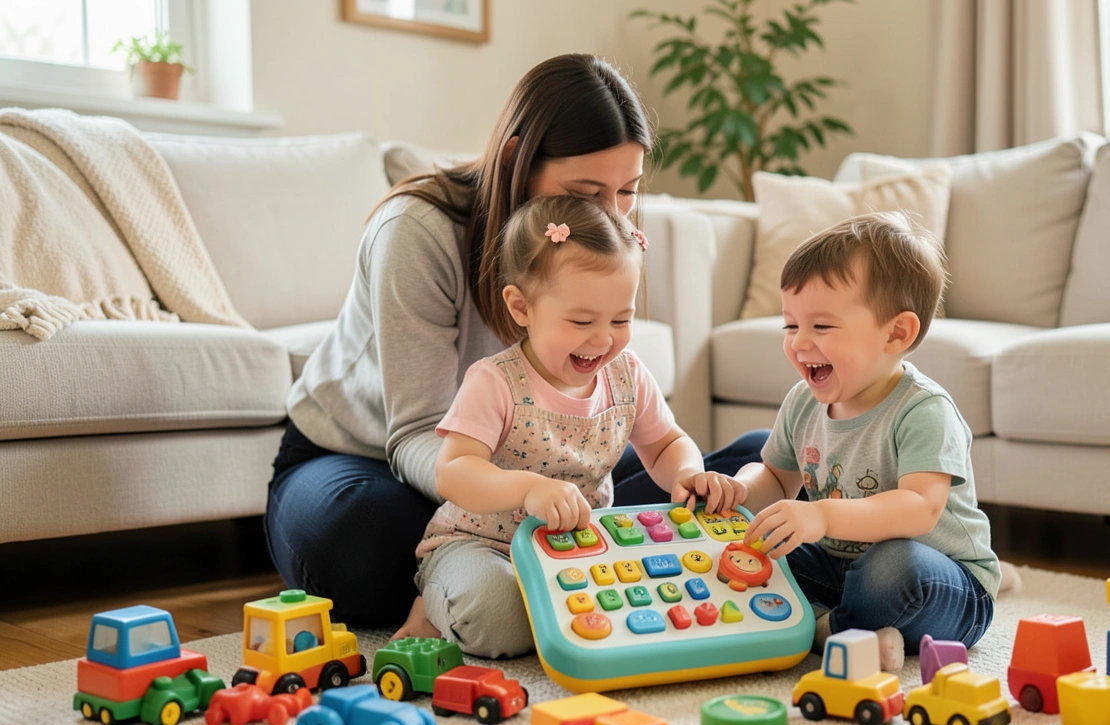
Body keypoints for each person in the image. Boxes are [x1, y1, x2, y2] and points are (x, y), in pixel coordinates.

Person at [265, 53, 769, 627]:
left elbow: (648, 438)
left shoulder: (607, 237)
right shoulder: (418, 231)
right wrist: (514, 493)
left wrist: (677, 477)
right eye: (587, 192)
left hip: (535, 462)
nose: (612, 217)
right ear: (517, 159)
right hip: (370, 456)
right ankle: (536, 562)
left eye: (626, 191)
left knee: (760, 460)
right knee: (366, 549)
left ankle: (572, 554)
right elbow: (413, 436)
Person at [391, 195, 745, 654]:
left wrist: (687, 474)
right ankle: (431, 607)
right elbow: (453, 470)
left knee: (642, 606)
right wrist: (526, 489)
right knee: (502, 621)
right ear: (522, 308)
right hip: (481, 545)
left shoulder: (628, 375)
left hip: (581, 547)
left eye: (621, 319)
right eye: (581, 321)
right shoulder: (495, 381)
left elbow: (664, 443)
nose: (602, 339)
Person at [736, 211, 1003, 672]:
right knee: (751, 543)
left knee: (892, 568)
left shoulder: (924, 409)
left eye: (821, 327)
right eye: (790, 325)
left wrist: (820, 514)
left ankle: (825, 629)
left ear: (896, 333)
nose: (800, 343)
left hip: (943, 581)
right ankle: (846, 627)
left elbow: (920, 508)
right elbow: (776, 482)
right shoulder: (803, 402)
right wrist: (738, 490)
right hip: (839, 568)